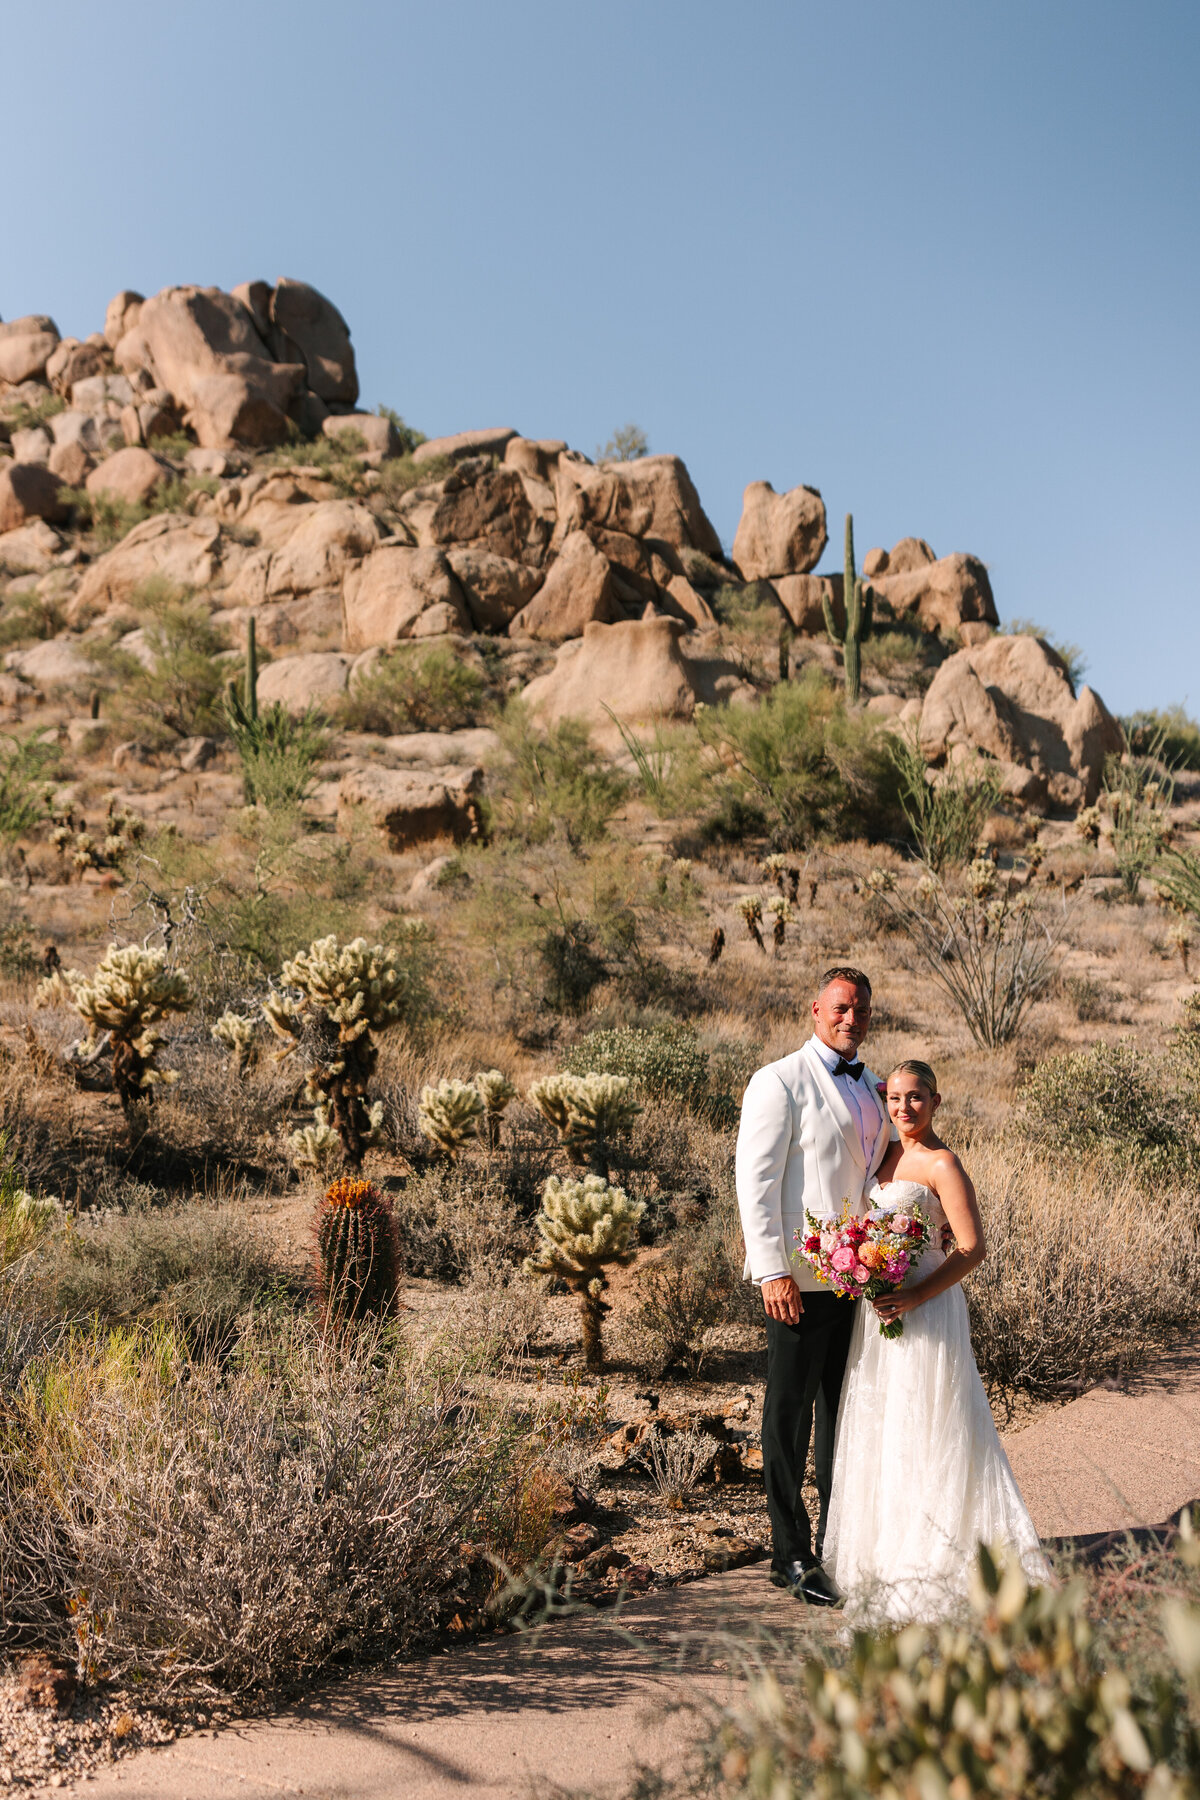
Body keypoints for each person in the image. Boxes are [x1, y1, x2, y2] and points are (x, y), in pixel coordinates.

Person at [824, 1058, 1051, 1624]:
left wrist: (916, 1296)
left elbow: (971, 1248)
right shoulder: (882, 1155)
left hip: (924, 1310)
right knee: (884, 1425)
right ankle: (882, 1556)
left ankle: (937, 1559)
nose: (904, 1108)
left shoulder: (942, 1163)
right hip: (880, 1313)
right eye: (895, 1098)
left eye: (916, 1098)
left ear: (936, 1102)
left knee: (930, 1424)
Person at [735, 967, 892, 1605]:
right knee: (788, 1417)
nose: (850, 1018)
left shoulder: (876, 1089)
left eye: (860, 1010)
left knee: (843, 1418)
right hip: (798, 1280)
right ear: (815, 1010)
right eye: (839, 1008)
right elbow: (757, 1182)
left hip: (859, 1281)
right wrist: (771, 1268)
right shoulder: (778, 1081)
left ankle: (836, 1544)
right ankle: (790, 1554)